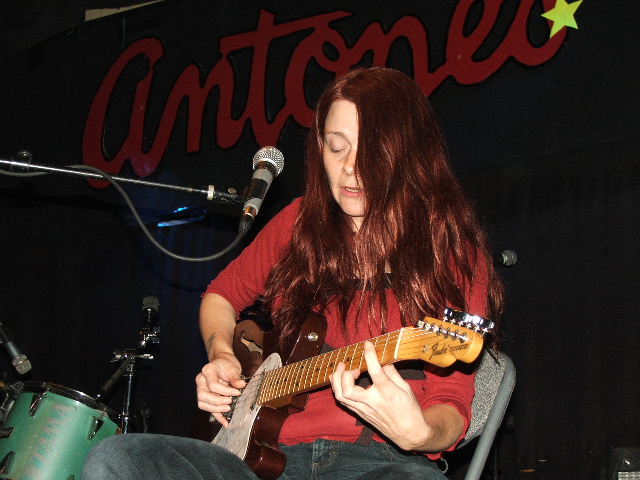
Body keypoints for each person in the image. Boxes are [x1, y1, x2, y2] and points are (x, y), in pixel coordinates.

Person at [82, 67, 503, 480]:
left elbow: (453, 403)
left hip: (379, 463)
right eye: (336, 148)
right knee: (120, 457)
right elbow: (221, 295)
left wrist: (421, 434)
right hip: (259, 456)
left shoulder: (452, 250)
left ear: (408, 152)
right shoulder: (297, 223)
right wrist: (222, 355)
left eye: (370, 152)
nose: (351, 168)